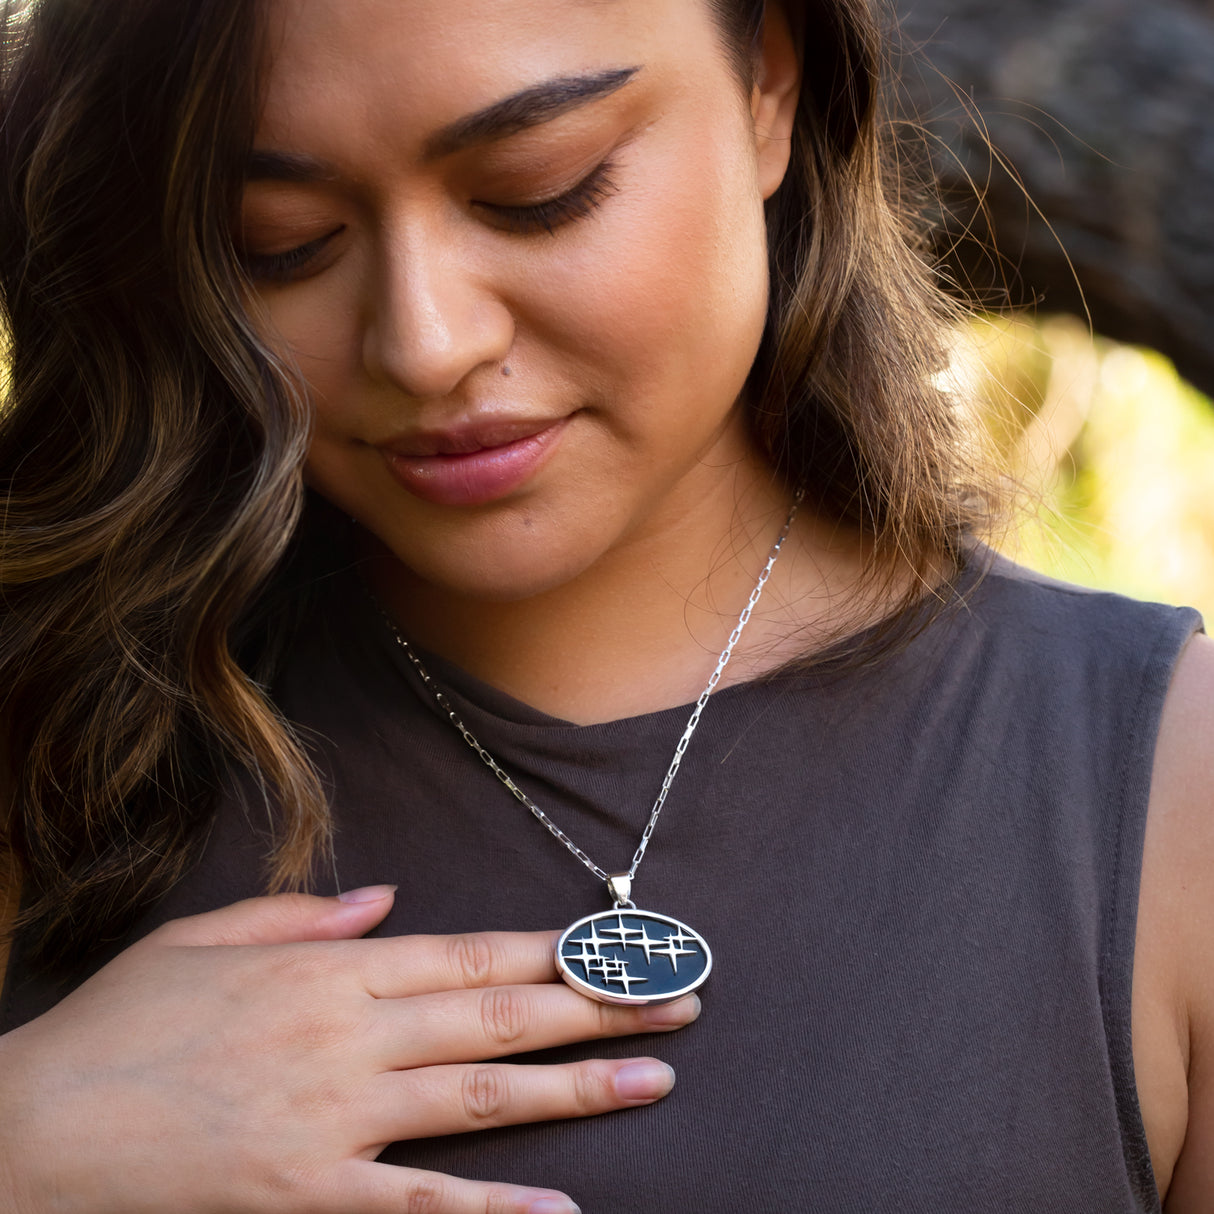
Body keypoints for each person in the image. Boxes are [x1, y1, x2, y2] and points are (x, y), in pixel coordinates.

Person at [0, 0, 1211, 1210]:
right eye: (282, 238)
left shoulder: (1163, 792)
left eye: (540, 188)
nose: (424, 343)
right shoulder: (55, 731)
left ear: (767, 92)